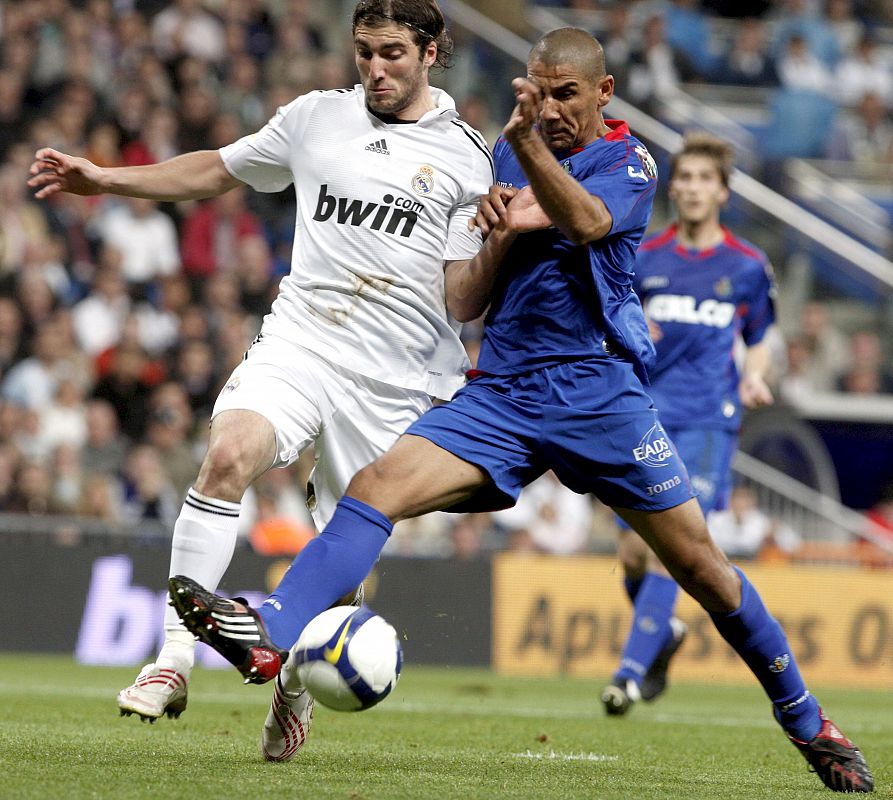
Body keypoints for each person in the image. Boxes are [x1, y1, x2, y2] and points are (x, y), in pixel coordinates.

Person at [168, 28, 872, 793]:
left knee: (701, 567)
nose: (552, 108)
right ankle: (271, 632)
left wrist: (526, 157)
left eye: (566, 94)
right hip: (502, 390)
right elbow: (465, 297)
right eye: (539, 93)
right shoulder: (502, 159)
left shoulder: (627, 161)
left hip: (600, 397)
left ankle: (806, 720)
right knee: (374, 485)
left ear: (603, 94)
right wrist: (497, 237)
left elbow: (586, 223)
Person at [28, 0, 494, 734]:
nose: (376, 67)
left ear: (431, 54)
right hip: (304, 338)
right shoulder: (314, 117)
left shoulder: (469, 157)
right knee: (227, 455)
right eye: (364, 51)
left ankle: (298, 682)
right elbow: (217, 170)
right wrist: (107, 180)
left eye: (394, 53)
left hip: (398, 376)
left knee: (344, 567)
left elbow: (464, 296)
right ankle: (172, 659)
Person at [600, 132, 777, 716]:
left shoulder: (747, 267)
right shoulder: (645, 258)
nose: (693, 188)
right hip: (645, 415)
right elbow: (616, 323)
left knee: (666, 551)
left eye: (705, 179)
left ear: (722, 192)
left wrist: (754, 376)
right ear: (671, 186)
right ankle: (666, 635)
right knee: (631, 551)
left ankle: (626, 675)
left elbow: (757, 339)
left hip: (708, 422)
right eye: (685, 177)